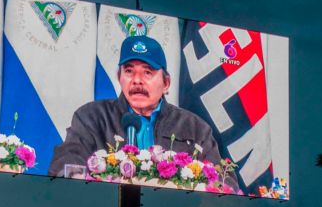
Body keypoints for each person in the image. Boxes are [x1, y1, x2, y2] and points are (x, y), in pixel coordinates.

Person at [48, 35, 239, 192]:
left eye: (148, 72)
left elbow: (225, 182)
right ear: (119, 78)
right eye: (129, 71)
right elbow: (67, 160)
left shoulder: (195, 128)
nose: (137, 80)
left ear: (166, 83)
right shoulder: (92, 117)